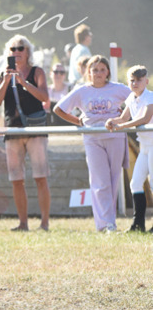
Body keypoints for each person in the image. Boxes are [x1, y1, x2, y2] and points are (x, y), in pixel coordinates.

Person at [54, 55, 130, 232]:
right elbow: (58, 109)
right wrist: (77, 121)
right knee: (99, 181)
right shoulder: (82, 91)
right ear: (88, 72)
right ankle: (105, 224)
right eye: (95, 69)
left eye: (102, 69)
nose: (98, 73)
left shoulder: (117, 88)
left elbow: (138, 99)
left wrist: (124, 116)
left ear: (108, 72)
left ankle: (108, 222)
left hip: (115, 137)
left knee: (113, 180)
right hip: (92, 138)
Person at [0, 35, 51, 232]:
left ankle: (44, 223)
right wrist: (7, 80)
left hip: (35, 130)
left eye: (20, 48)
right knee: (16, 179)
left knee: (40, 177)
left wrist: (23, 82)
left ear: (28, 52)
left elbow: (44, 97)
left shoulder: (37, 72)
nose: (16, 52)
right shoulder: (4, 74)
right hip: (13, 129)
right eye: (13, 49)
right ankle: (23, 223)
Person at [105, 65, 153, 232]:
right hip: (145, 146)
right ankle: (138, 224)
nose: (135, 83)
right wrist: (112, 121)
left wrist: (123, 125)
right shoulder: (131, 99)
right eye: (132, 80)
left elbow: (145, 119)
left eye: (139, 80)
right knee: (136, 183)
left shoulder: (150, 97)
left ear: (146, 81)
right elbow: (123, 117)